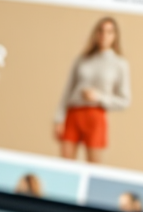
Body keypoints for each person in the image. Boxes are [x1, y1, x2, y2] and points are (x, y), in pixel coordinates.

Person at [54, 17, 131, 164]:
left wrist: (98, 97)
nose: (104, 35)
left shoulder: (120, 64)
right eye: (101, 31)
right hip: (73, 112)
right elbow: (67, 90)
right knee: (64, 163)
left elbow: (125, 101)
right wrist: (59, 119)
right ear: (95, 33)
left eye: (109, 32)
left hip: (96, 115)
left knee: (93, 165)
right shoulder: (82, 59)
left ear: (115, 36)